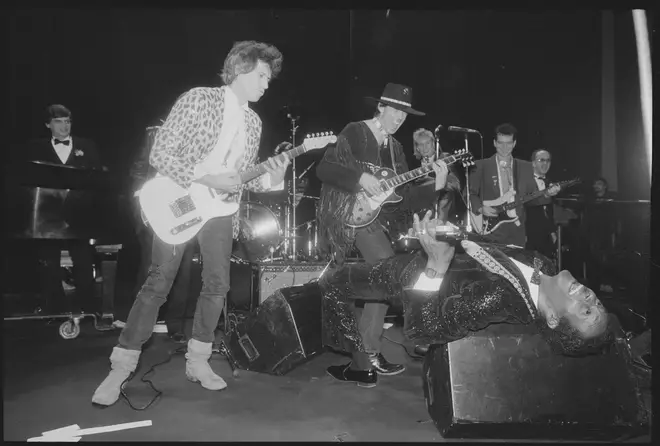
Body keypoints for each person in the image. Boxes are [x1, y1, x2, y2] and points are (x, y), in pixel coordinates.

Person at [92, 40, 288, 406]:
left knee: (218, 285)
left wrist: (274, 175)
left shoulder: (253, 121)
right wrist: (206, 177)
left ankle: (198, 360)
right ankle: (120, 366)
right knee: (158, 283)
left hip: (221, 212)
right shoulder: (199, 99)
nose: (267, 83)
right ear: (241, 70)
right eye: (262, 75)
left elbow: (241, 178)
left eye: (269, 78)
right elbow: (161, 153)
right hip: (180, 200)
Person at [320, 211, 615, 387]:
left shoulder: (494, 298)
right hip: (428, 255)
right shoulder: (543, 264)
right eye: (597, 305)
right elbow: (488, 248)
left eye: (586, 312)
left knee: (332, 284)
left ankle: (360, 368)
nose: (590, 298)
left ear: (553, 318)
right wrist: (448, 232)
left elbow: (424, 332)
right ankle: (361, 360)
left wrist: (435, 266)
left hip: (406, 274)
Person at [316, 83, 449, 379]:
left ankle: (366, 357)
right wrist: (360, 177)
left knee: (384, 276)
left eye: (405, 114)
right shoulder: (355, 131)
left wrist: (437, 186)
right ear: (381, 107)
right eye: (396, 111)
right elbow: (324, 170)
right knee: (353, 280)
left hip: (372, 221)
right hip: (342, 212)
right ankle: (360, 357)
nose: (400, 118)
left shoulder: (397, 149)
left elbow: (403, 201)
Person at [112, 125, 196, 343]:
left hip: (183, 200)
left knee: (183, 265)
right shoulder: (155, 132)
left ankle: (175, 325)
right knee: (152, 265)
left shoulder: (199, 135)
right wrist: (142, 202)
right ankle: (141, 322)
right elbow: (138, 170)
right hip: (155, 201)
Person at [22, 104, 105, 315]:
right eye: (58, 121)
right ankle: (54, 309)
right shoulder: (35, 146)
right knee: (49, 263)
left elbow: (97, 177)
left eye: (67, 121)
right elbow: (28, 178)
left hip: (80, 214)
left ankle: (88, 308)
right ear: (48, 124)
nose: (64, 126)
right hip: (47, 215)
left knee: (84, 262)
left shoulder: (87, 145)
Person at [468, 123, 557, 247]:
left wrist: (547, 194)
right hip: (490, 229)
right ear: (494, 143)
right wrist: (480, 208)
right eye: (500, 143)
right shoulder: (481, 166)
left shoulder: (525, 167)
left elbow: (532, 199)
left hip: (517, 231)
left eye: (509, 143)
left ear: (514, 143)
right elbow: (469, 193)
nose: (504, 148)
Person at [525, 149, 557, 260]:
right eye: (541, 160)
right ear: (533, 163)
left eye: (548, 160)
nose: (545, 163)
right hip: (529, 234)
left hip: (546, 235)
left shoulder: (549, 182)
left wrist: (552, 231)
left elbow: (548, 210)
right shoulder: (524, 181)